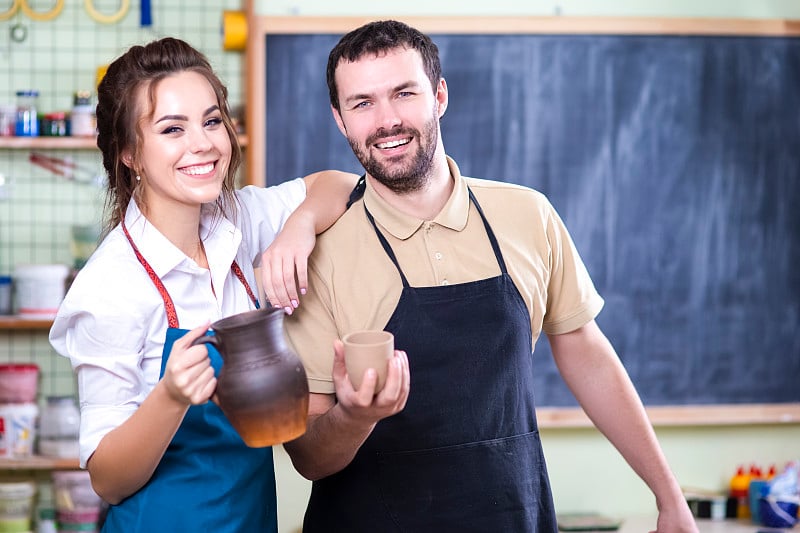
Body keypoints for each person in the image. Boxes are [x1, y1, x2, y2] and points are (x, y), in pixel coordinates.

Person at [282, 20, 699, 533]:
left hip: (512, 518)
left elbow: (589, 358)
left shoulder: (528, 215)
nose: (386, 120)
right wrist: (356, 416)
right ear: (339, 119)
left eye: (404, 93)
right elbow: (308, 458)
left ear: (439, 96)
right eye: (362, 103)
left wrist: (668, 495)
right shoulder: (319, 256)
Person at [48, 37, 357, 532]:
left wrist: (297, 227)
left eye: (212, 121)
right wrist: (170, 397)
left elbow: (340, 185)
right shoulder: (110, 287)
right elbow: (107, 479)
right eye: (173, 129)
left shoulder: (240, 219)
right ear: (129, 153)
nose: (204, 144)